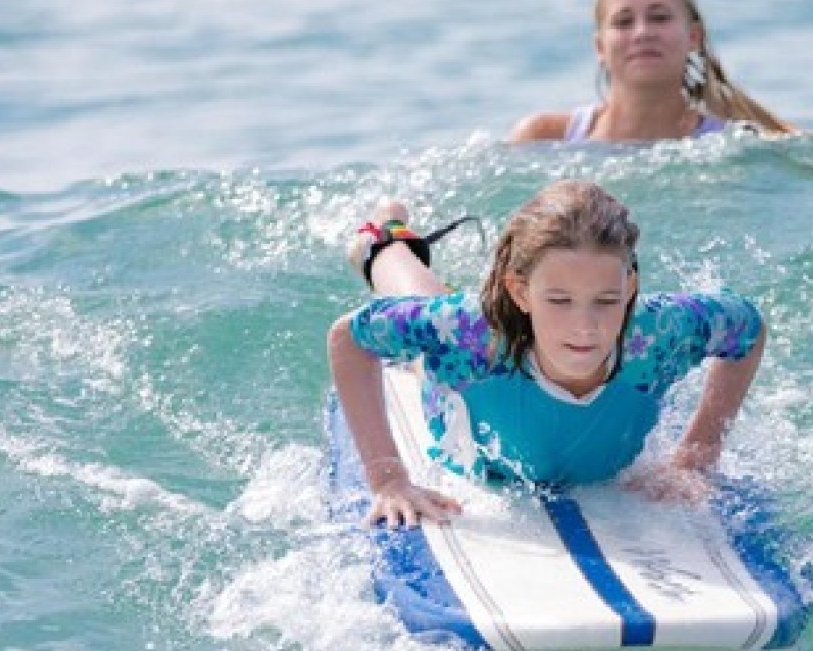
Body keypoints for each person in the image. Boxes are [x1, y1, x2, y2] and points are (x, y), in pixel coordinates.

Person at [328, 179, 766, 528]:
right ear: (520, 292)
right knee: (423, 310)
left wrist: (698, 453)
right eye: (560, 300)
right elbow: (349, 338)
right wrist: (388, 479)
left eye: (606, 300)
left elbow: (748, 328)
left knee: (436, 312)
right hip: (466, 379)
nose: (585, 325)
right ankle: (383, 238)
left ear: (629, 287)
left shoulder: (656, 332)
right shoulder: (470, 336)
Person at [509, 0, 795, 144]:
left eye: (659, 17)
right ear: (600, 47)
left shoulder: (731, 145)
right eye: (624, 22)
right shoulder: (543, 139)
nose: (643, 32)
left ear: (694, 37)